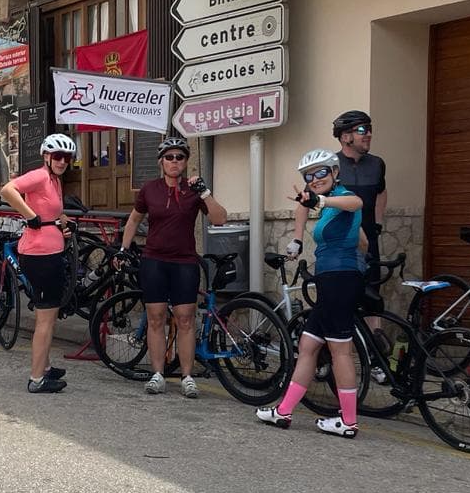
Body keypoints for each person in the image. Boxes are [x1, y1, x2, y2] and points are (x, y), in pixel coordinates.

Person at [256, 150, 367, 437]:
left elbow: (357, 202)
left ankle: (349, 421)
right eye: (309, 175)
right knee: (307, 345)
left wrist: (321, 200)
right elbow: (362, 240)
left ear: (334, 172)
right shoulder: (328, 203)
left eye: (321, 173)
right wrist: (296, 237)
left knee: (340, 350)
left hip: (339, 280)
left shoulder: (342, 197)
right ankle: (283, 412)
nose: (314, 179)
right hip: (332, 279)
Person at [116, 134, 229, 399]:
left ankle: (187, 376)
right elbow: (133, 220)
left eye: (180, 157)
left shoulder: (194, 190)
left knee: (185, 320)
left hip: (185, 262)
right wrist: (124, 248)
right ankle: (158, 374)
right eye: (169, 157)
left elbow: (220, 218)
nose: (174, 161)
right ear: (161, 162)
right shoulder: (149, 190)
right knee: (155, 319)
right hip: (154, 261)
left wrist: (205, 192)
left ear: (186, 161)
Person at [0, 133, 78, 394]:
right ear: (46, 156)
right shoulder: (41, 176)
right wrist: (29, 215)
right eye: (58, 157)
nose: (62, 161)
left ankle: (44, 366)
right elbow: (8, 190)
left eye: (66, 158)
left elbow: (52, 211)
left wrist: (65, 222)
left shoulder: (54, 180)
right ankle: (36, 379)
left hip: (51, 252)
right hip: (39, 255)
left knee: (50, 316)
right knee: (45, 318)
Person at [331, 109, 387, 330]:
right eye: (362, 129)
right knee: (341, 299)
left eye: (370, 129)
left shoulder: (377, 164)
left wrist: (378, 222)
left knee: (372, 297)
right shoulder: (331, 164)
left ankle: (376, 356)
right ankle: (342, 352)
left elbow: (382, 191)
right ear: (345, 137)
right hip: (340, 244)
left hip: (369, 242)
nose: (368, 134)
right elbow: (309, 200)